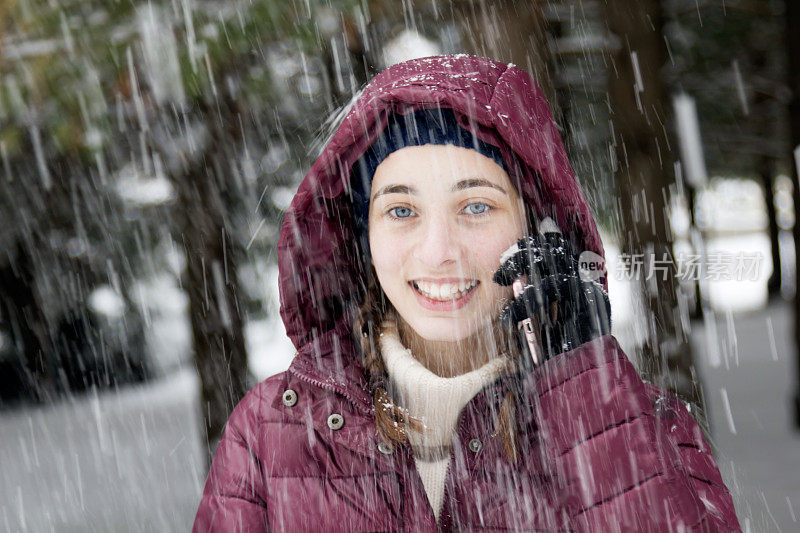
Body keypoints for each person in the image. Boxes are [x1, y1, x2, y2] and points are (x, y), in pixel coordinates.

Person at [193, 55, 740, 531]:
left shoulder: (643, 421)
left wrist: (587, 398)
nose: (438, 251)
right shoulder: (270, 432)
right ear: (365, 239)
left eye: (475, 206)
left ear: (539, 230)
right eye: (401, 210)